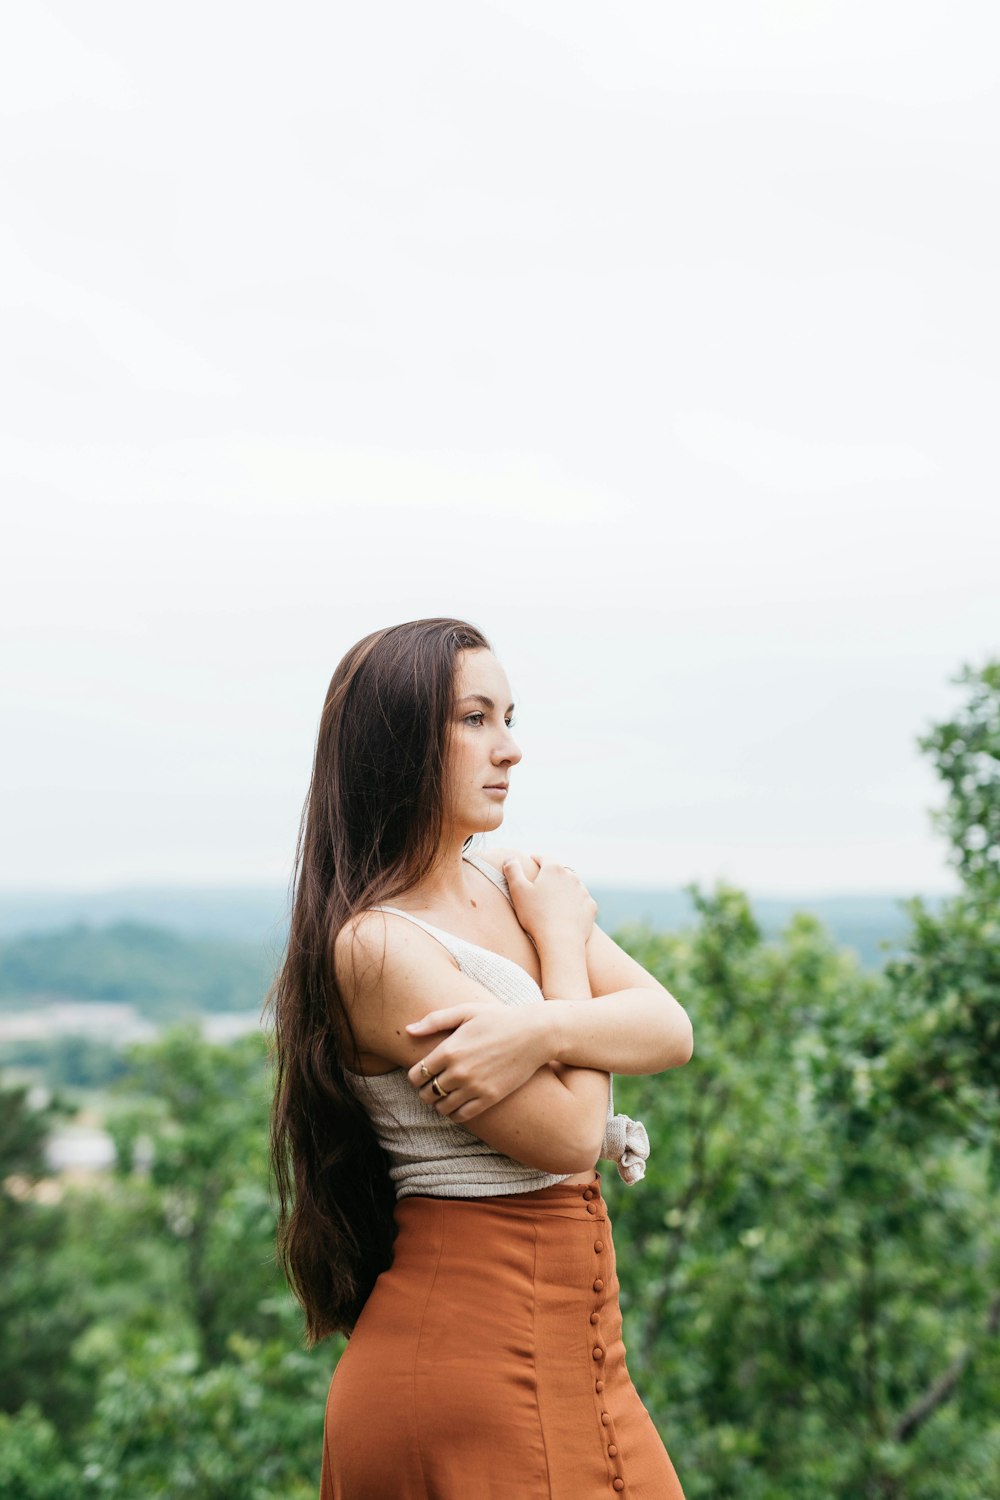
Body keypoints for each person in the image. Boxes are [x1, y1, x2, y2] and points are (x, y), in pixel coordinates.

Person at [267, 616, 693, 1499]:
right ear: (397, 743)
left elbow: (669, 1028)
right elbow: (575, 1134)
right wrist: (565, 949)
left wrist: (538, 1031)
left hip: (583, 1348)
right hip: (460, 1361)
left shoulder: (508, 881)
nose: (511, 750)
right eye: (475, 720)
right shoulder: (380, 948)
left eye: (510, 717)